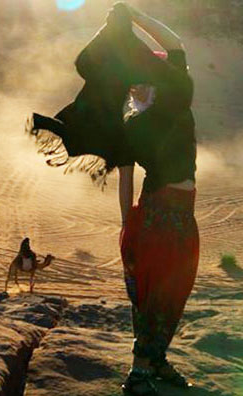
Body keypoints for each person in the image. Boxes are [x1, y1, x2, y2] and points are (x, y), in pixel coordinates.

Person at [28, 3, 198, 395]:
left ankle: (156, 361)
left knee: (176, 291)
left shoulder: (178, 96)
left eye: (139, 80)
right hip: (156, 212)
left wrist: (133, 16)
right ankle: (140, 372)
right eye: (130, 83)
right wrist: (128, 226)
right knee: (154, 292)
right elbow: (125, 175)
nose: (134, 87)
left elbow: (174, 44)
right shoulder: (131, 125)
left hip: (181, 215)